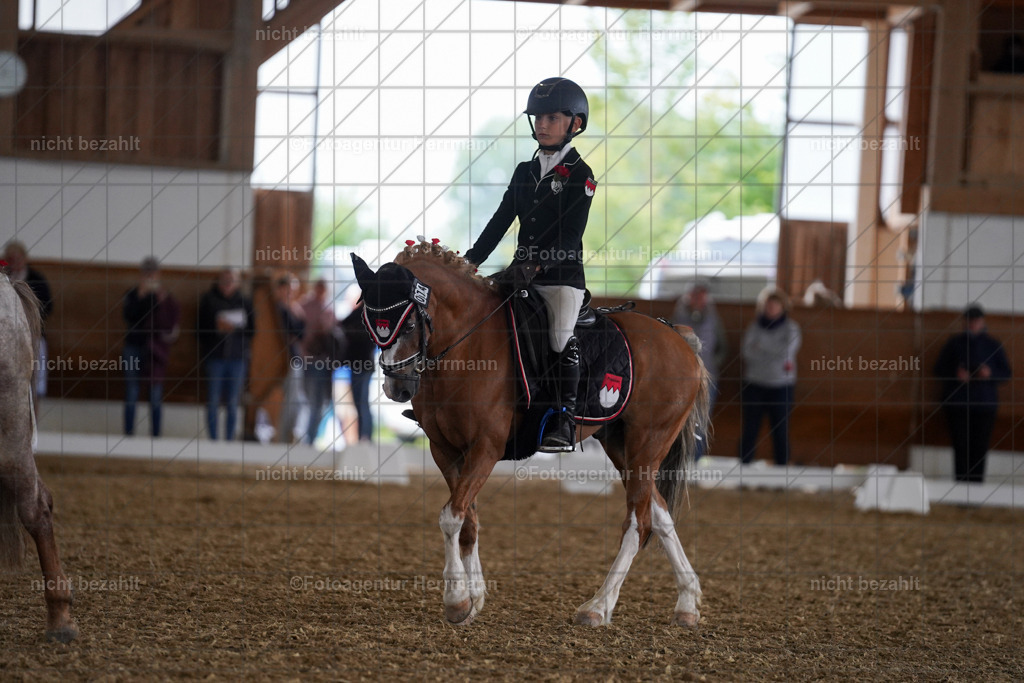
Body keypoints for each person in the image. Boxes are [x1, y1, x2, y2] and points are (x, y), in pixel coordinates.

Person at [463, 76, 597, 452]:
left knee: (558, 338)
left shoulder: (581, 176)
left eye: (552, 117)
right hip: (519, 274)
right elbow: (500, 221)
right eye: (538, 117)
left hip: (561, 279)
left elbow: (570, 236)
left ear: (575, 124)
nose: (542, 124)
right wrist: (470, 262)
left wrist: (536, 267)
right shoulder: (524, 172)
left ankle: (563, 418)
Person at [934, 304, 1011, 483]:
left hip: (984, 405)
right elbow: (938, 369)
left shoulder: (993, 345)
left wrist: (989, 374)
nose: (972, 324)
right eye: (969, 321)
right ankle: (960, 487)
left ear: (982, 322)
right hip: (958, 404)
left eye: (976, 321)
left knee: (979, 447)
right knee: (961, 446)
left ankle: (976, 489)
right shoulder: (954, 344)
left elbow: (1006, 373)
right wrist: (956, 374)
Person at [739, 287, 801, 466]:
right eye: (768, 305)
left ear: (782, 307)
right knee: (750, 429)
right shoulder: (754, 326)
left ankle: (781, 473)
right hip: (755, 384)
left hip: (782, 386)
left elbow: (785, 353)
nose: (771, 309)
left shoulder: (792, 328)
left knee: (780, 431)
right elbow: (747, 352)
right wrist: (769, 351)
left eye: (775, 305)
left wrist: (762, 347)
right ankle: (743, 470)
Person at [122, 257, 180, 437]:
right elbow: (129, 317)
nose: (149, 277)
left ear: (158, 275)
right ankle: (129, 435)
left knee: (155, 394)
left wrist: (161, 301)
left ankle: (156, 436)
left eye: (152, 273)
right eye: (146, 273)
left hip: (155, 351)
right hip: (133, 346)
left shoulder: (164, 297)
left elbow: (170, 324)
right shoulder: (132, 294)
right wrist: (140, 295)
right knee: (132, 391)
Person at [198, 269, 254, 440]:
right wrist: (217, 328)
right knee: (213, 401)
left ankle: (229, 441)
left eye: (232, 280)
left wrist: (234, 329)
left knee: (232, 402)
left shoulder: (245, 302)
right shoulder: (208, 300)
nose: (228, 283)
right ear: (219, 281)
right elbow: (199, 330)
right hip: (215, 358)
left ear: (238, 282)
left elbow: (252, 330)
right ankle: (213, 441)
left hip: (237, 359)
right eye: (225, 279)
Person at [672, 281, 727, 457]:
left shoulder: (714, 319)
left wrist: (710, 363)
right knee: (677, 421)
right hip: (680, 379)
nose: (698, 300)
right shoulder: (677, 317)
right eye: (695, 295)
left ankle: (695, 463)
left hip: (707, 378)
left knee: (701, 422)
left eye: (702, 296)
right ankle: (675, 462)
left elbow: (722, 347)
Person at [4, 241, 53, 406]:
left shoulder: (37, 279)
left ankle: (34, 428)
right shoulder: (3, 280)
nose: (14, 263)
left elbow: (48, 306)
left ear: (25, 259)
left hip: (33, 337)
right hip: (7, 338)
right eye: (10, 259)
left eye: (17, 259)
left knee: (35, 384)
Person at [300, 278, 338, 445]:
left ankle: (311, 437)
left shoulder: (329, 309)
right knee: (311, 400)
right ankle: (308, 438)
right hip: (309, 359)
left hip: (325, 362)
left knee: (322, 402)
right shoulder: (304, 307)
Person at [273, 273, 306, 444]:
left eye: (293, 290)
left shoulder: (293, 308)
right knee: (288, 400)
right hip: (283, 360)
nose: (291, 293)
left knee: (297, 400)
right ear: (280, 289)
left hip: (295, 358)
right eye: (288, 289)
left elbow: (300, 334)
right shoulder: (275, 311)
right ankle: (282, 437)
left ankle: (290, 434)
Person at [340, 303, 376, 443]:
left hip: (363, 365)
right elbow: (343, 324)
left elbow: (344, 325)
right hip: (358, 365)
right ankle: (363, 437)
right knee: (360, 403)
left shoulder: (371, 313)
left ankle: (365, 437)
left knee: (362, 403)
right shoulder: (361, 313)